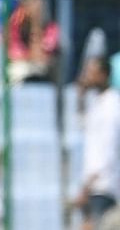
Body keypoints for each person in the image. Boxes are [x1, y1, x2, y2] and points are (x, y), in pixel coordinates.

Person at [74, 57, 120, 230]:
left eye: (91, 72)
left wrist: (88, 185)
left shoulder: (112, 104)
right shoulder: (97, 102)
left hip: (103, 186)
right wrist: (80, 96)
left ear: (103, 75)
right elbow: (81, 124)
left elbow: (109, 148)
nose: (87, 76)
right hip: (94, 186)